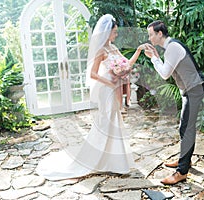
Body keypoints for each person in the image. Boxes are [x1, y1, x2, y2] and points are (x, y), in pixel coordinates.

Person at [35, 14, 146, 180]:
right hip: (106, 89)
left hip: (113, 87)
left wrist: (137, 52)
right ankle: (98, 158)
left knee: (114, 120)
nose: (116, 35)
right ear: (107, 32)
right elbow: (93, 74)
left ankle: (113, 161)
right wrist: (109, 82)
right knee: (106, 120)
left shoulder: (114, 48)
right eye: (114, 32)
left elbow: (127, 64)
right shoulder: (101, 50)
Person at [144, 20, 204, 185]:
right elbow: (171, 71)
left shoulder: (172, 48)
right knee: (184, 128)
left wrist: (153, 59)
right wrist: (156, 57)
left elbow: (165, 74)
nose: (150, 38)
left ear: (159, 34)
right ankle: (185, 161)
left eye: (151, 34)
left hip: (194, 90)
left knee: (186, 129)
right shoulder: (170, 48)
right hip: (189, 91)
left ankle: (182, 172)